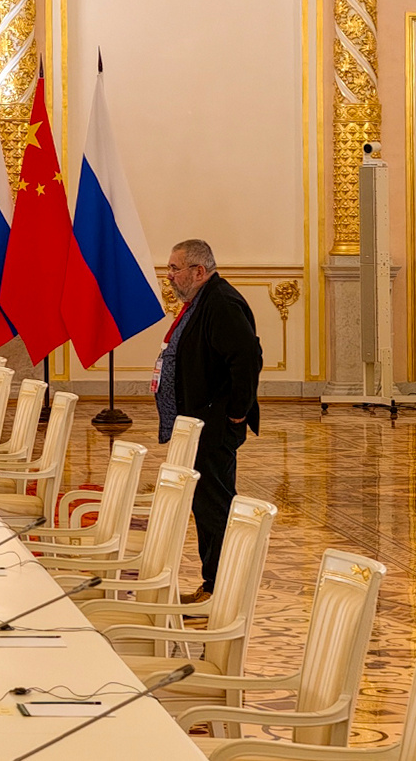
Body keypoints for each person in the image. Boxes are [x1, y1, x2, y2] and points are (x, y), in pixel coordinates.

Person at [158, 237, 261, 603]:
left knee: (215, 506)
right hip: (199, 422)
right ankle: (213, 583)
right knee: (205, 505)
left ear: (198, 271)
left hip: (215, 425)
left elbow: (247, 358)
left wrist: (237, 412)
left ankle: (220, 588)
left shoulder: (221, 303)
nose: (169, 276)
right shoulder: (204, 300)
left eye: (175, 268)